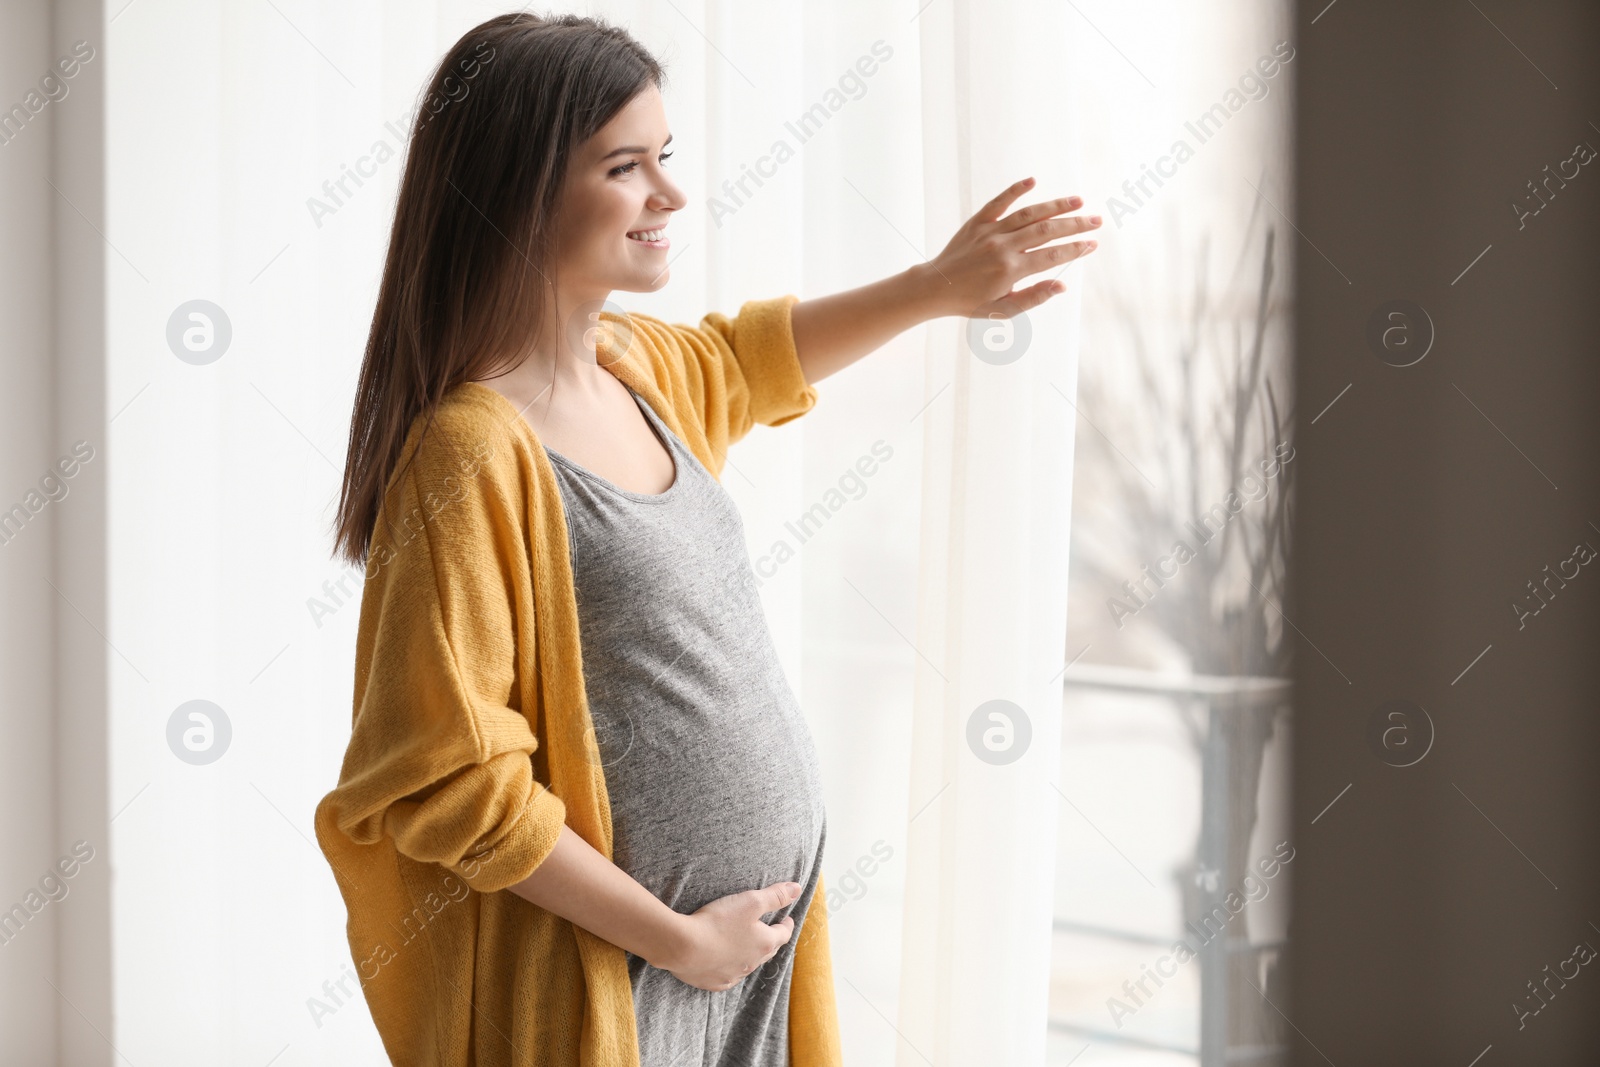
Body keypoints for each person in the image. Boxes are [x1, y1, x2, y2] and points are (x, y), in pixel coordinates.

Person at [316, 11, 1099, 1067]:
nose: (671, 195)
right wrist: (678, 938)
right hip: (626, 972)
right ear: (518, 189)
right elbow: (447, 779)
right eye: (626, 166)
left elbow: (752, 357)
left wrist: (936, 289)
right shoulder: (470, 454)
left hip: (738, 962)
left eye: (666, 158)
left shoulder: (636, 369)